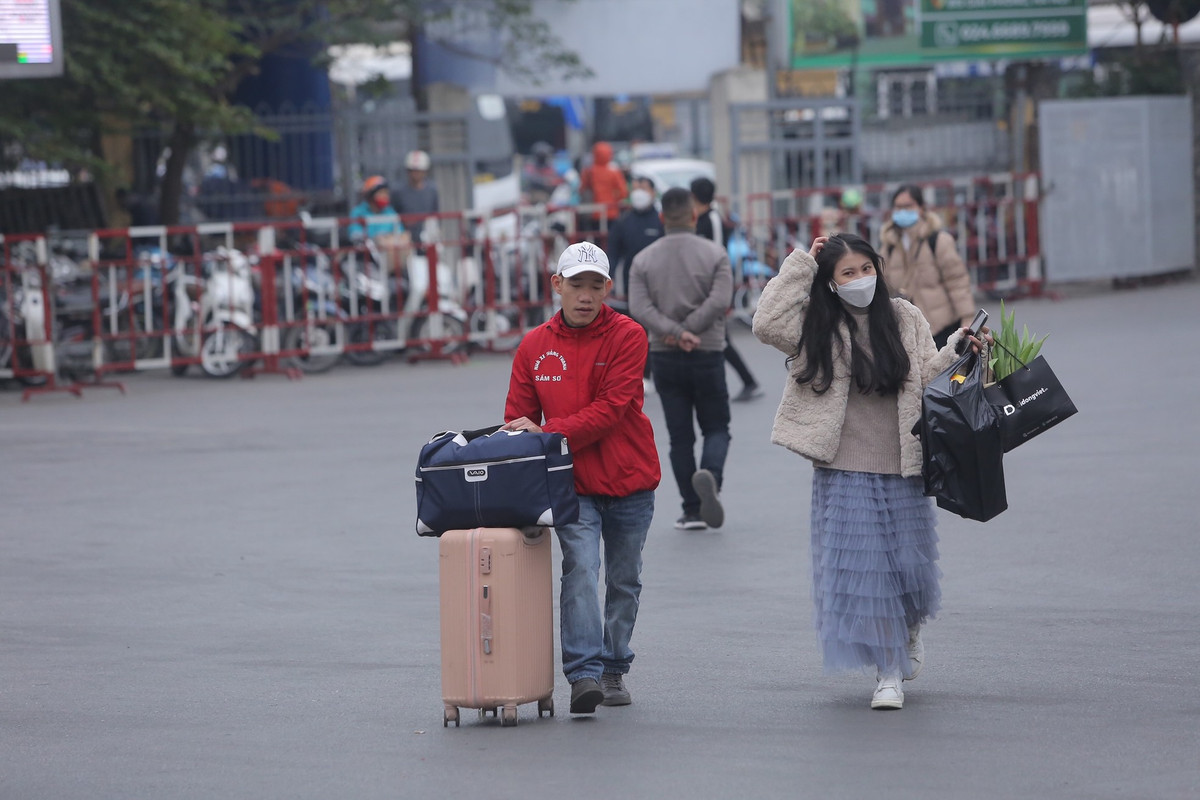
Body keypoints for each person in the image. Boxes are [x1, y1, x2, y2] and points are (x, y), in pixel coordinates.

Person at [751, 232, 991, 711]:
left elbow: (926, 376)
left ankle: (907, 630)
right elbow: (765, 322)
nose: (861, 279)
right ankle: (888, 673)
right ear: (832, 283)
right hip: (843, 464)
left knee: (908, 569)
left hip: (902, 462)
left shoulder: (904, 316)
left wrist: (961, 350)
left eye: (866, 268)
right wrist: (804, 262)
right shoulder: (815, 323)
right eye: (847, 273)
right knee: (867, 574)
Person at [502, 242, 660, 714]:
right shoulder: (533, 345)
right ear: (557, 285)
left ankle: (614, 668)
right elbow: (516, 421)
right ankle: (586, 675)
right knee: (580, 571)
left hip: (631, 479)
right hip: (572, 486)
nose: (586, 295)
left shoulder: (630, 336)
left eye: (596, 285)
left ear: (608, 288)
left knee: (624, 580)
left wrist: (547, 432)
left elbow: (611, 411)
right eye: (576, 285)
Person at [629, 187, 732, 531]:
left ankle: (691, 508)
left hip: (665, 355)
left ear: (661, 218)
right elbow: (720, 300)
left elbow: (640, 308)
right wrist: (691, 329)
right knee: (717, 427)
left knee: (679, 437)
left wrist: (674, 332)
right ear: (694, 215)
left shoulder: (643, 259)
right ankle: (711, 477)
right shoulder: (715, 254)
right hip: (708, 350)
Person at [691, 176, 763, 402]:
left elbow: (718, 255)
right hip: (704, 289)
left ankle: (748, 381)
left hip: (714, 289)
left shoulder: (712, 220)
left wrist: (716, 291)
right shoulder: (700, 219)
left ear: (695, 196)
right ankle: (742, 382)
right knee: (715, 340)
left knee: (720, 340)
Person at [878, 183, 976, 349]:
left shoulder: (938, 240)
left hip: (941, 327)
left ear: (921, 208)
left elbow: (957, 281)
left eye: (908, 206)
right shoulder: (889, 245)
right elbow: (883, 284)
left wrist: (967, 318)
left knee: (949, 374)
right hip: (909, 331)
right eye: (898, 207)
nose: (902, 211)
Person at [608, 177, 664, 306]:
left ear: (653, 192)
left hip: (656, 283)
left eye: (643, 189)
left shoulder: (660, 220)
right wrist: (610, 277)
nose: (638, 193)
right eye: (635, 189)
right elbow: (613, 253)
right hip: (628, 286)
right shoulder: (622, 221)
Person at [579, 141, 628, 229]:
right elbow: (623, 192)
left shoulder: (588, 171)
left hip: (594, 211)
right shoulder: (614, 172)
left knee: (597, 238)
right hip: (611, 211)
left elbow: (582, 189)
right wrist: (613, 198)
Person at [394, 150, 440, 243]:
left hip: (427, 235)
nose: (415, 174)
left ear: (425, 171)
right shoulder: (398, 192)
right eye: (412, 170)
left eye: (418, 170)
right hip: (405, 236)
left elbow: (435, 213)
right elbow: (394, 214)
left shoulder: (432, 190)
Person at [347, 175, 405, 241]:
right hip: (368, 249)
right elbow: (355, 234)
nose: (385, 196)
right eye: (381, 193)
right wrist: (377, 239)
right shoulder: (358, 213)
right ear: (370, 195)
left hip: (389, 248)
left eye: (386, 193)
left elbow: (400, 232)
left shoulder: (390, 212)